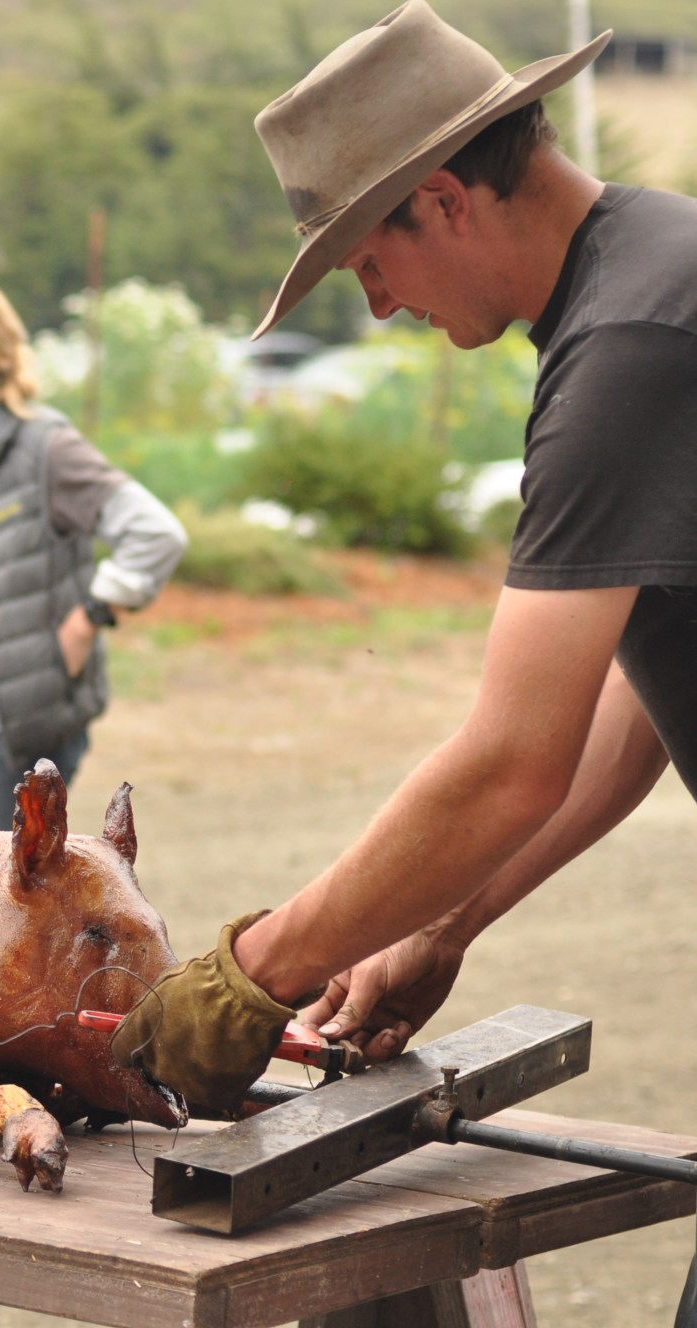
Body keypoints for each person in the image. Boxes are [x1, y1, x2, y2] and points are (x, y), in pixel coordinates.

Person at [115, 0, 697, 1188]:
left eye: (366, 261)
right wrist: (439, 921)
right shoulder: (651, 272)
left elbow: (510, 758)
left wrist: (250, 973)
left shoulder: (628, 347)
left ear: (438, 197)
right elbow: (633, 712)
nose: (377, 304)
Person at [0, 270, 186, 830]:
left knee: (3, 904)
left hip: (17, 721)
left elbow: (155, 532)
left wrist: (91, 617)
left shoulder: (45, 449)